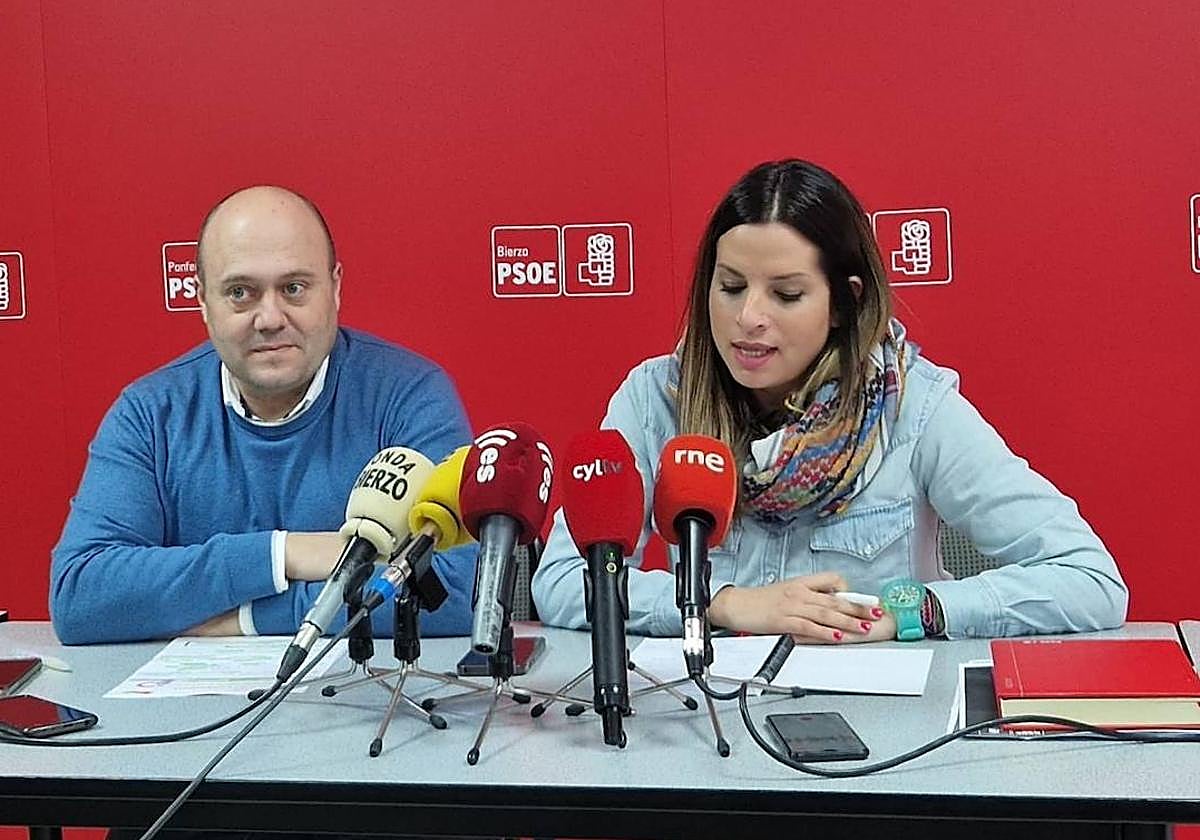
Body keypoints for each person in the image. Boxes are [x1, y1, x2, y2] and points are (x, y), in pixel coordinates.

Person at [533, 159, 1127, 642]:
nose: (748, 317)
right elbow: (561, 579)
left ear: (844, 302)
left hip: (885, 731)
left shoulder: (913, 407)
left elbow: (1089, 579)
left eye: (786, 295)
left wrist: (913, 611)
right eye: (731, 287)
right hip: (704, 722)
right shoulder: (657, 398)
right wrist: (721, 604)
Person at [51, 185, 476, 645]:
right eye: (241, 293)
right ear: (203, 300)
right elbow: (81, 594)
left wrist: (248, 617)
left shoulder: (410, 395)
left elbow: (453, 591)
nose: (270, 318)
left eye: (294, 288)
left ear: (335, 288)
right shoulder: (150, 413)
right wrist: (283, 553)